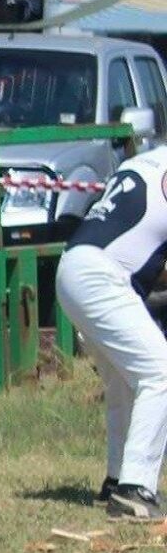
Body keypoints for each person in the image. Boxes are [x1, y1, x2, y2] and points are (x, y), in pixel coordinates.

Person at [55, 144, 167, 520]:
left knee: (123, 380)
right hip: (101, 276)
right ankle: (136, 489)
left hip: (74, 266)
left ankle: (117, 479)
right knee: (160, 372)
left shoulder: (144, 161)